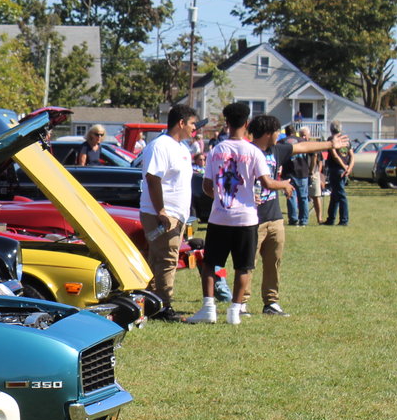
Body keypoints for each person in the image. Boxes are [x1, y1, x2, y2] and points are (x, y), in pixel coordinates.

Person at [186, 102, 290, 325]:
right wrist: (285, 185)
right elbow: (267, 183)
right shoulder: (253, 151)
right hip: (246, 218)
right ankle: (235, 310)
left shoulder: (216, 151)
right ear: (247, 123)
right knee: (243, 266)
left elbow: (206, 186)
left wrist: (223, 198)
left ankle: (208, 308)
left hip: (220, 216)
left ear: (227, 123)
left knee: (211, 264)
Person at [242, 116, 346, 317]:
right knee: (248, 263)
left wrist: (330, 144)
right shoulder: (246, 152)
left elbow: (304, 147)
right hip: (251, 218)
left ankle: (271, 302)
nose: (279, 136)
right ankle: (242, 302)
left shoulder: (277, 150)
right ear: (267, 133)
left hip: (274, 216)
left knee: (274, 262)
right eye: (276, 132)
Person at [138, 105, 196, 321]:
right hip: (162, 215)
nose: (194, 129)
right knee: (167, 260)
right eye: (191, 124)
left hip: (176, 215)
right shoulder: (160, 145)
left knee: (158, 259)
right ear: (181, 123)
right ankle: (163, 306)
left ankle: (152, 303)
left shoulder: (181, 148)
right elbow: (153, 179)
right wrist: (161, 211)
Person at [323, 122, 352, 225]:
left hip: (336, 170)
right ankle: (331, 219)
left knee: (341, 195)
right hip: (344, 170)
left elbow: (334, 155)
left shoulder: (332, 139)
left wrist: (344, 167)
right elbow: (352, 155)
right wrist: (349, 168)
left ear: (331, 129)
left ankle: (344, 220)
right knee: (335, 195)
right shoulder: (346, 139)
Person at [286, 126, 314, 225]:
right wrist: (311, 170)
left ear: (286, 133)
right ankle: (304, 220)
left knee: (291, 196)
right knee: (303, 197)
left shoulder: (282, 142)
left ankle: (293, 219)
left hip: (288, 172)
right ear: (295, 133)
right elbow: (313, 155)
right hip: (302, 172)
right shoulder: (303, 141)